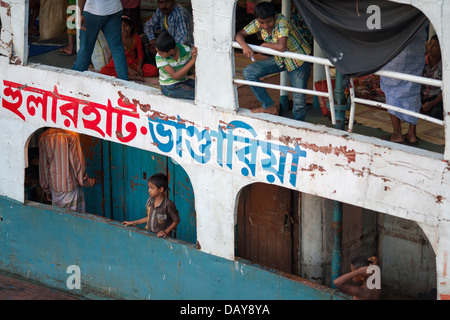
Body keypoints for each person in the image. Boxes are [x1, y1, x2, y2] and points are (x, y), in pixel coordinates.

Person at [235, 2, 311, 120]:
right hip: (280, 60)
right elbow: (239, 35)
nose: (265, 26)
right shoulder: (257, 23)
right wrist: (244, 46)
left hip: (298, 61)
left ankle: (298, 125)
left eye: (269, 22)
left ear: (275, 17)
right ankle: (269, 106)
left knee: (299, 102)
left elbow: (281, 47)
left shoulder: (281, 22)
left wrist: (265, 45)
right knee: (249, 72)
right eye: (262, 23)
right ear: (258, 20)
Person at [380, 26, 427, 145]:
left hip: (397, 50)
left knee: (391, 88)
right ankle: (412, 134)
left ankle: (397, 134)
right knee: (413, 88)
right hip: (417, 50)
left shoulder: (398, 9)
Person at [38, 128, 96, 212]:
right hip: (70, 188)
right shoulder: (71, 135)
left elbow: (43, 167)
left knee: (59, 218)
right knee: (74, 219)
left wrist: (46, 189)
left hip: (55, 189)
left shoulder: (43, 137)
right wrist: (88, 182)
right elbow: (77, 164)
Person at [72, 0, 129, 81]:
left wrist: (79, 13)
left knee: (86, 48)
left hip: (93, 11)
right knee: (117, 48)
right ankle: (124, 82)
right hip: (115, 8)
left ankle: (75, 80)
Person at [100, 15, 158, 80]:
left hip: (133, 63)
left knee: (154, 70)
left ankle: (131, 75)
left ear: (131, 27)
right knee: (103, 71)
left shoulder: (137, 38)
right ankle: (131, 77)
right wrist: (129, 69)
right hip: (119, 63)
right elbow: (115, 57)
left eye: (126, 25)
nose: (123, 29)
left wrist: (140, 67)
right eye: (120, 26)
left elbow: (140, 56)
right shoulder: (117, 39)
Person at [122, 173, 180, 238]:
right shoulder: (150, 202)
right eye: (149, 187)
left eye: (152, 188)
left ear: (161, 189)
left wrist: (166, 231)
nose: (149, 190)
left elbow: (176, 220)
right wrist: (133, 223)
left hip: (163, 239)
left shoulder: (168, 204)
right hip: (150, 236)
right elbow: (149, 217)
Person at [155, 31, 197, 100]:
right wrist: (192, 61)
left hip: (184, 81)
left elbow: (194, 67)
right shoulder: (159, 57)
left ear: (171, 51)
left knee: (202, 90)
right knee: (196, 95)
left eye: (161, 52)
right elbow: (175, 76)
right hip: (169, 86)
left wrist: (196, 81)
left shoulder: (187, 50)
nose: (159, 53)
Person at [420, 35, 443, 120]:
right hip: (419, 96)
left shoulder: (445, 66)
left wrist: (431, 104)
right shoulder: (421, 62)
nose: (430, 47)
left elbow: (446, 92)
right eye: (430, 44)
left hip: (436, 99)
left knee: (435, 116)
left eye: (435, 45)